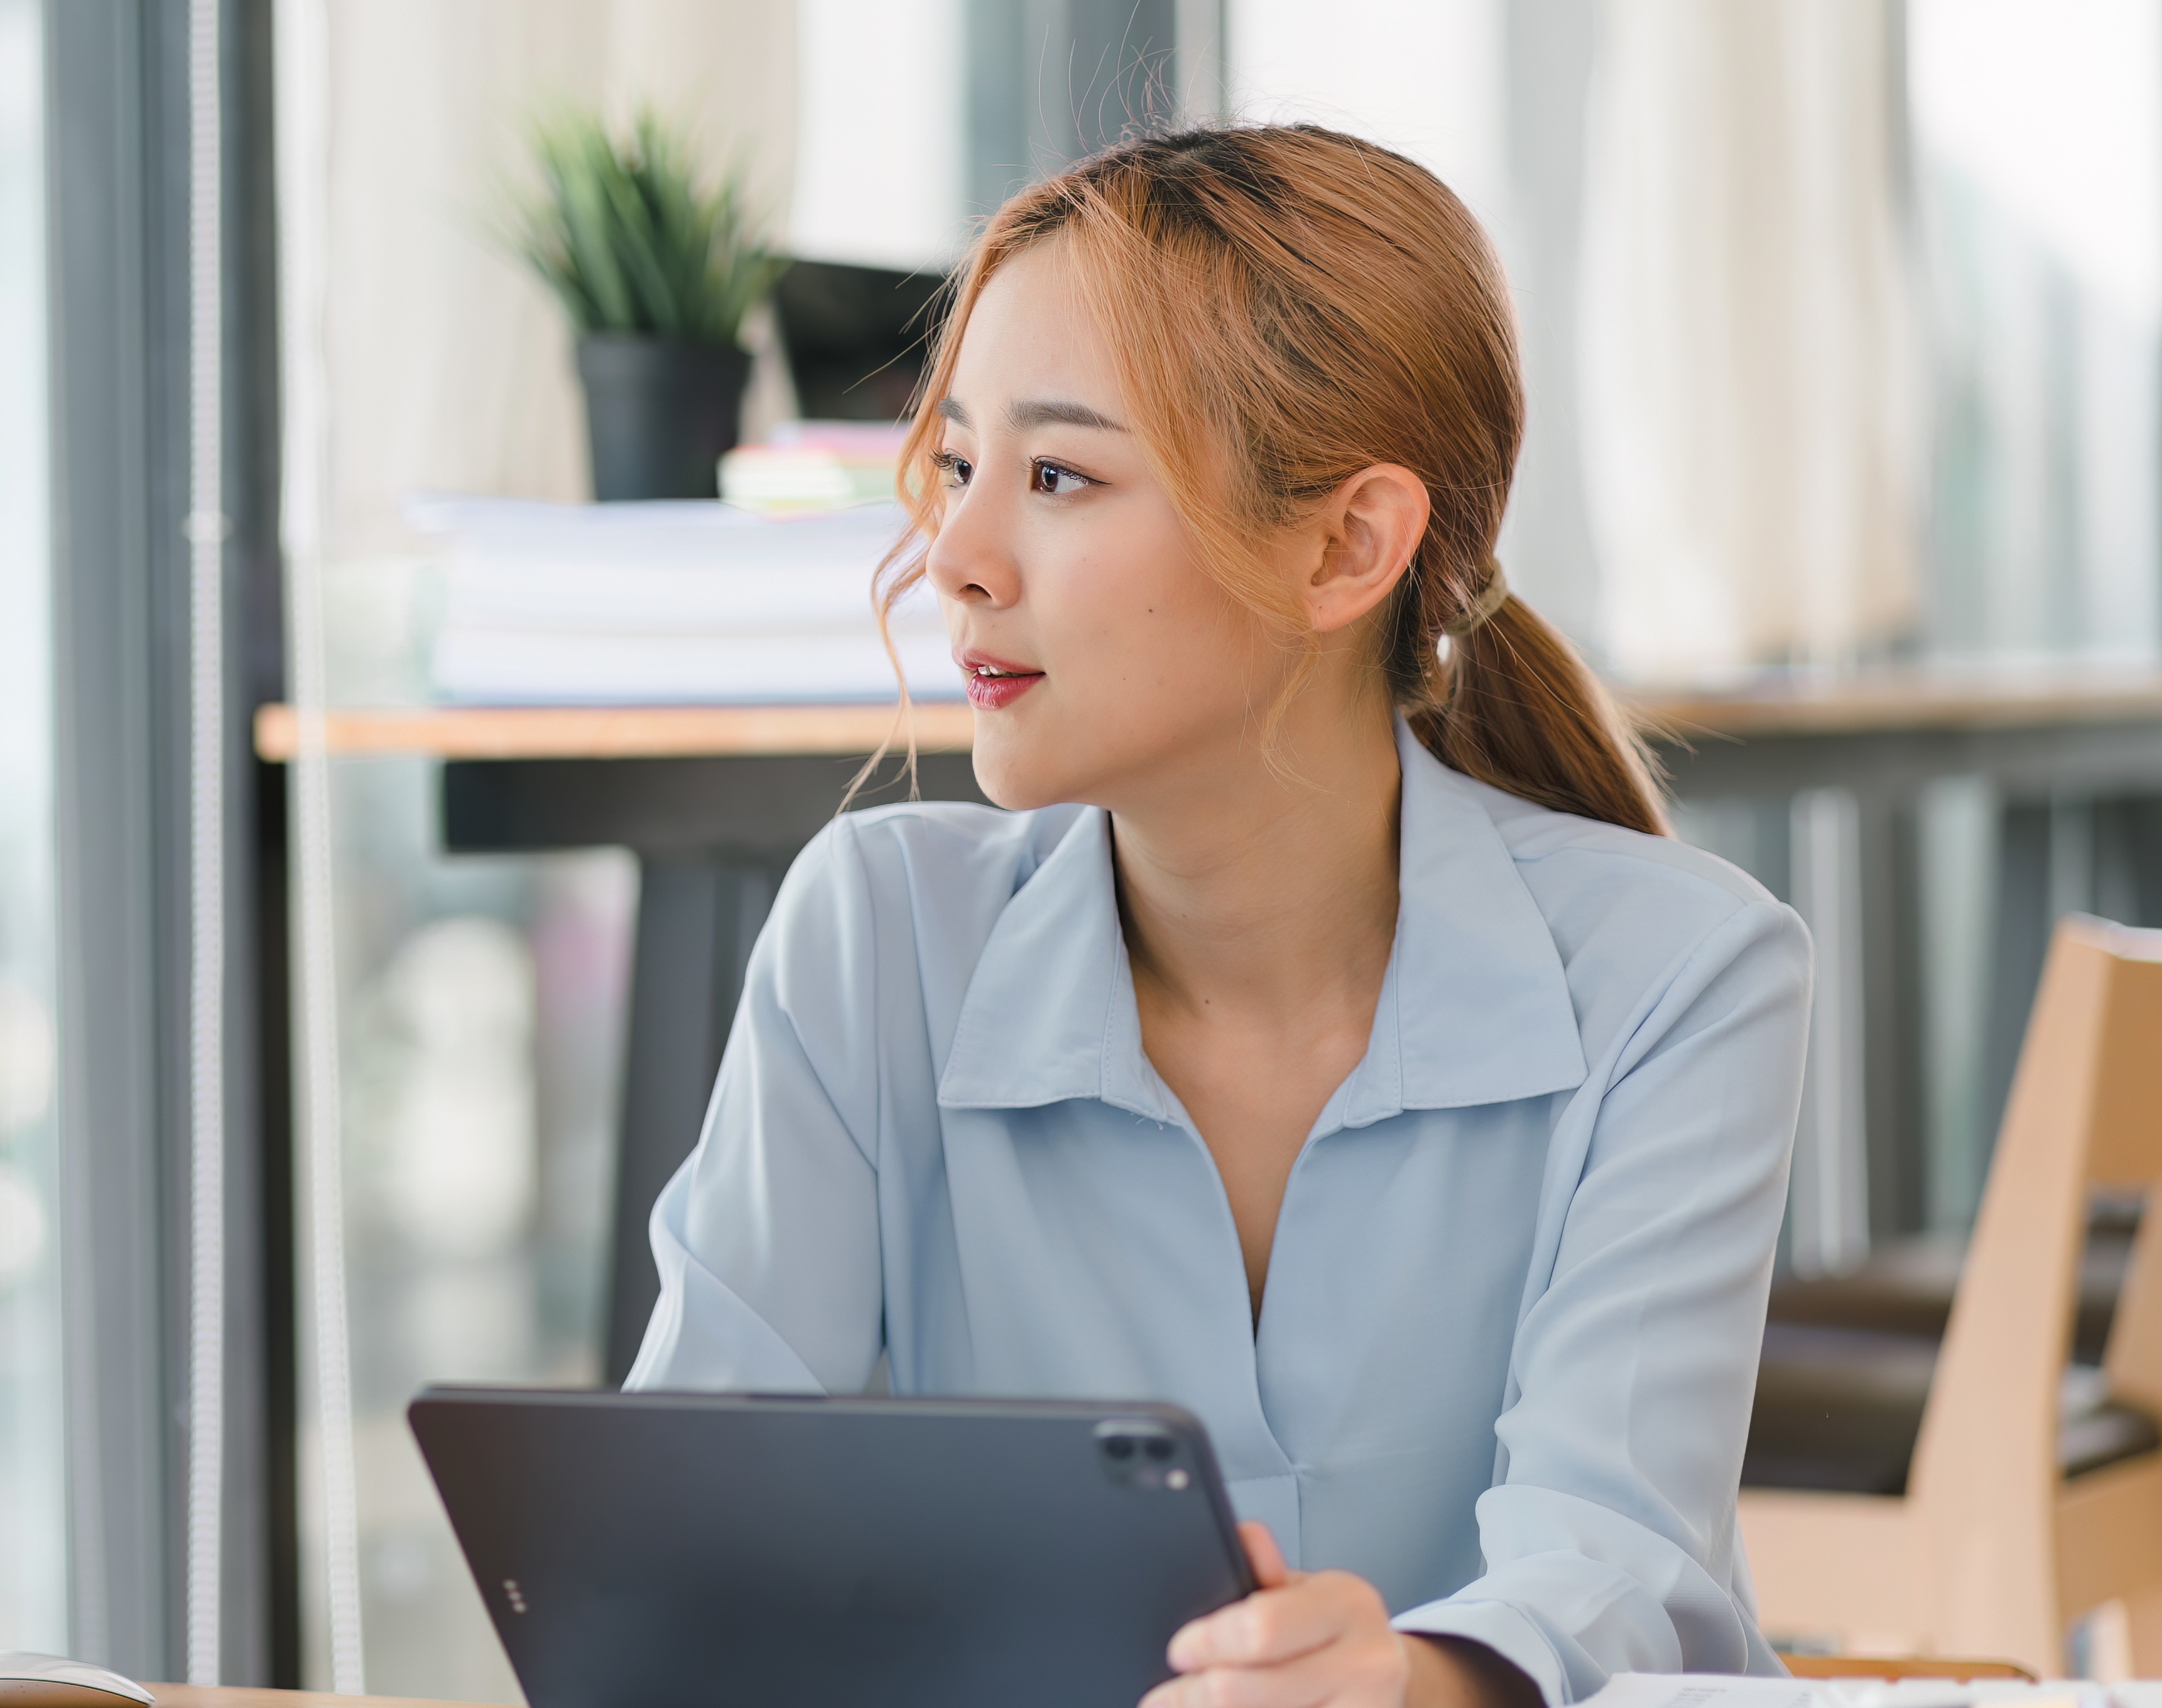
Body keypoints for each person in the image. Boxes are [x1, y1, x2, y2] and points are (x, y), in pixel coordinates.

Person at [623, 124, 1812, 1708]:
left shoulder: (1684, 975)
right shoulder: (871, 936)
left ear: (1346, 547)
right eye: (958, 464)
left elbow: (1612, 1566)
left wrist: (1406, 1681)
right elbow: (677, 1544)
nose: (955, 559)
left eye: (1058, 475)